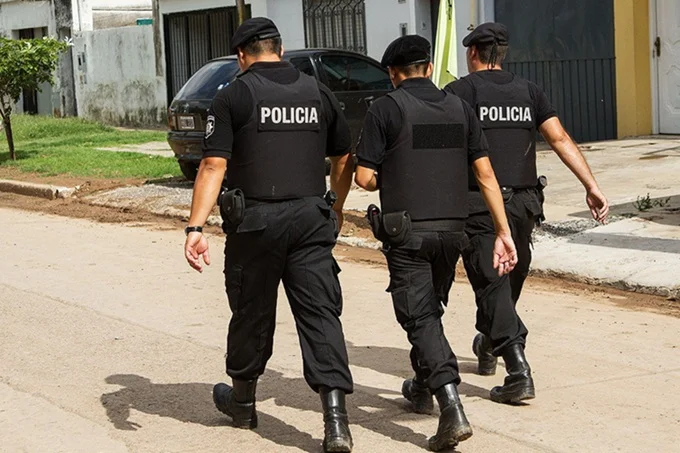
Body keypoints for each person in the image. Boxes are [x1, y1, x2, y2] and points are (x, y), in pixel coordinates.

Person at [183, 17, 355, 452]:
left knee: (251, 311)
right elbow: (343, 156)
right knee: (321, 314)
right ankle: (336, 423)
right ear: (279, 49)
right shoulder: (318, 91)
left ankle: (243, 404)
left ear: (242, 55)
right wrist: (334, 207)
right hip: (311, 220)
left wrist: (196, 227)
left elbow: (213, 165)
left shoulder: (234, 95)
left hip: (257, 222)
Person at [354, 35, 518, 451]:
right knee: (431, 310)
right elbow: (485, 174)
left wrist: (394, 174)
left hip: (408, 232)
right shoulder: (459, 107)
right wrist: (503, 231)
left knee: (420, 316)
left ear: (392, 74)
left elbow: (364, 177)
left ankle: (450, 406)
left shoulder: (385, 108)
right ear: (428, 68)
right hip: (454, 230)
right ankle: (422, 386)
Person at [444, 22, 609, 404]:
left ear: (473, 53)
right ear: (502, 55)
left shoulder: (459, 92)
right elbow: (559, 138)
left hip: (482, 204)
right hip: (522, 205)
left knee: (497, 284)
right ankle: (496, 347)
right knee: (501, 281)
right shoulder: (528, 91)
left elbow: (439, 145)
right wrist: (591, 185)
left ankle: (513, 366)